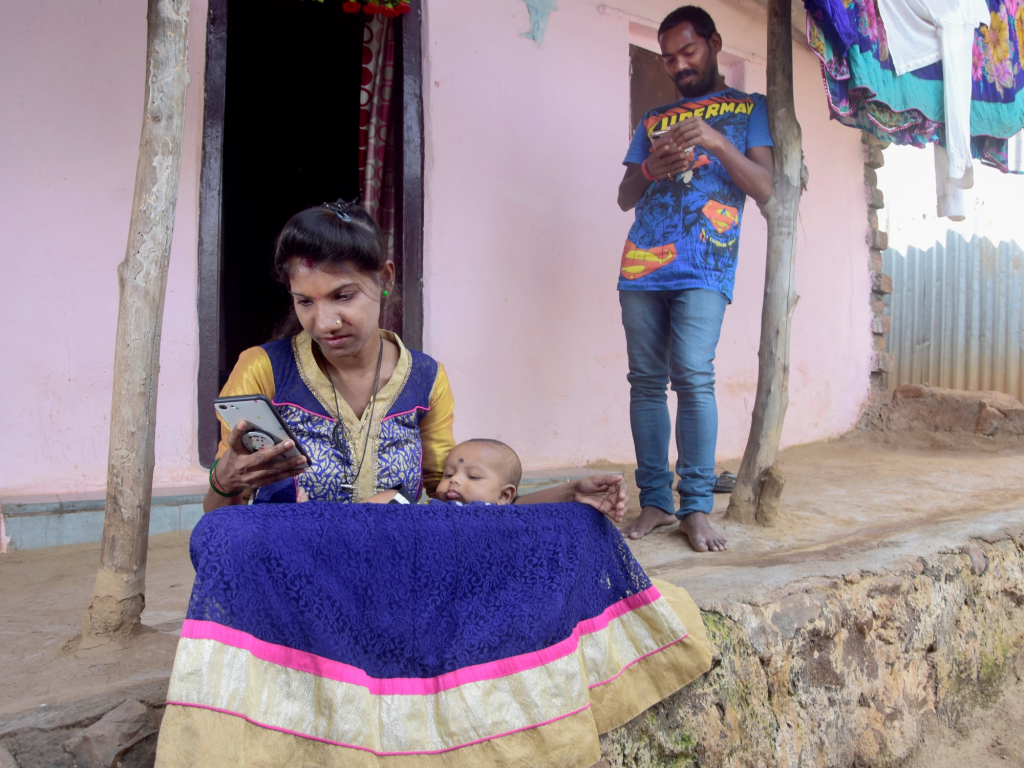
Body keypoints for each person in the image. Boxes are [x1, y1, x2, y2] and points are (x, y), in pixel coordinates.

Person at [204, 200, 627, 519]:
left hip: (394, 573)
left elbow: (456, 501)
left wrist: (570, 493)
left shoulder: (424, 378)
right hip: (290, 574)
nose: (325, 321)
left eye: (343, 295)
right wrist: (225, 481)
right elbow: (220, 520)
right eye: (305, 302)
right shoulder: (264, 369)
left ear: (384, 279)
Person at [615, 6, 774, 551]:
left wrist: (716, 140)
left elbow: (766, 187)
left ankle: (697, 507)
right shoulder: (653, 118)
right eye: (668, 58)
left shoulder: (751, 109)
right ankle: (656, 501)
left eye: (689, 52)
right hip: (642, 264)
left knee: (693, 374)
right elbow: (624, 199)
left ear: (714, 43)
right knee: (645, 382)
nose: (679, 66)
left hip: (706, 263)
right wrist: (648, 170)